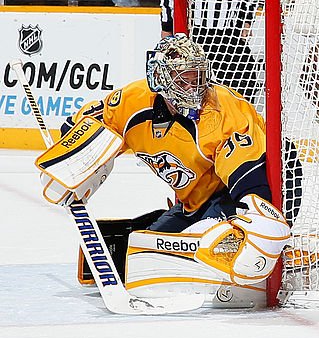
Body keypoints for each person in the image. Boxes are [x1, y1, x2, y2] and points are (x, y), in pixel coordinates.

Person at [55, 34, 290, 285]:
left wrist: (257, 222)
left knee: (204, 241)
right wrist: (74, 159)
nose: (195, 88)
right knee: (143, 255)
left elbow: (251, 179)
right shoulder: (132, 102)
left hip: (261, 185)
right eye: (184, 80)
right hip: (196, 203)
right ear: (161, 79)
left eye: (197, 78)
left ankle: (272, 249)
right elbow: (83, 126)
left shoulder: (221, 112)